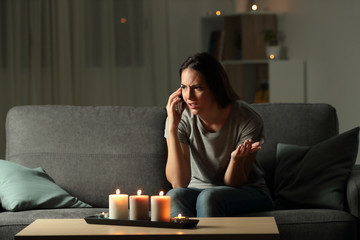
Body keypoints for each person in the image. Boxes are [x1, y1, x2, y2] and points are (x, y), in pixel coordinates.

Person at [164, 52, 273, 217]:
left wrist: (236, 160)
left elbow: (235, 183)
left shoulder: (247, 119)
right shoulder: (180, 119)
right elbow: (179, 183)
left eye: (197, 88)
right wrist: (172, 128)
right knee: (173, 196)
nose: (188, 96)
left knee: (209, 198)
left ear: (215, 87)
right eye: (184, 87)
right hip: (197, 191)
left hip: (247, 191)